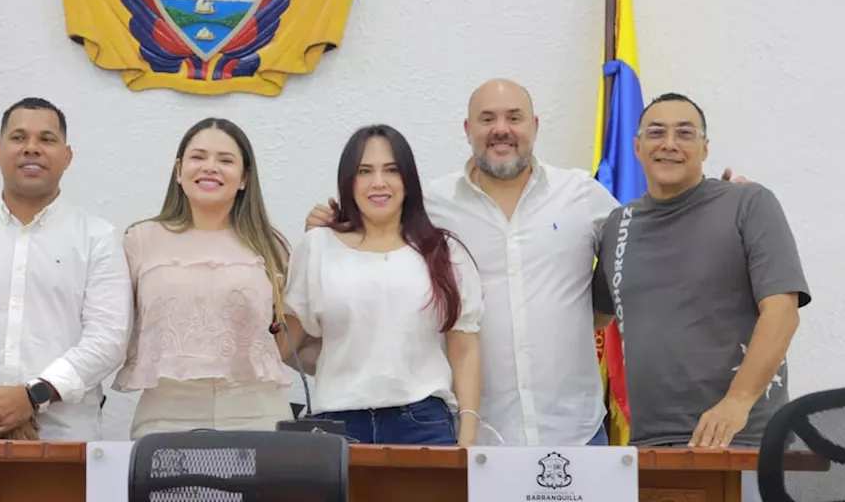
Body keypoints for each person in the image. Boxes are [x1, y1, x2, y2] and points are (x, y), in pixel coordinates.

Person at [305, 79, 747, 447]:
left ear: (534, 126)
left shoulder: (580, 194)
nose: (502, 129)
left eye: (514, 118)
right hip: (474, 433)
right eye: (488, 119)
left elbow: (649, 241)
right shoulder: (430, 207)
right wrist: (333, 224)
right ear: (467, 128)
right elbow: (371, 241)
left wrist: (711, 203)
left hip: (574, 429)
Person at [593, 93, 810, 450]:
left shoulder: (748, 203)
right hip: (650, 445)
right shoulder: (618, 225)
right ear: (636, 147)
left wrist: (737, 402)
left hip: (742, 440)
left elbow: (783, 313)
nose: (669, 144)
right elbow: (593, 317)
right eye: (656, 133)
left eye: (685, 133)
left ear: (705, 148)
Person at [0, 97, 132, 441]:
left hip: (64, 437)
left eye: (46, 139)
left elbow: (107, 340)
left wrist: (32, 397)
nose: (32, 148)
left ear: (67, 155)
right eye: (19, 138)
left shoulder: (97, 237)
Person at [283, 124, 484, 446]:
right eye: (364, 171)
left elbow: (465, 348)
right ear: (348, 181)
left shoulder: (443, 251)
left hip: (424, 422)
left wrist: (469, 432)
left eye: (391, 170)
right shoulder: (317, 246)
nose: (379, 183)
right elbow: (284, 344)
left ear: (408, 180)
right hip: (337, 423)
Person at [112, 118, 292, 439]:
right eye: (198, 157)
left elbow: (287, 329)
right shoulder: (140, 239)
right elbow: (114, 327)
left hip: (256, 409)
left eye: (225, 160)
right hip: (166, 411)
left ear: (244, 178)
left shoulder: (270, 244)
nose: (210, 167)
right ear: (179, 170)